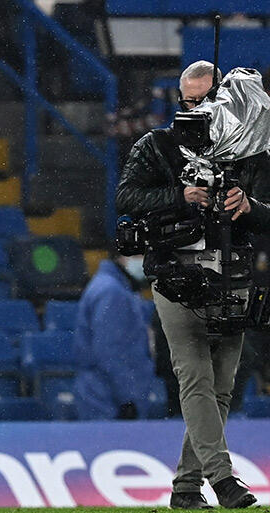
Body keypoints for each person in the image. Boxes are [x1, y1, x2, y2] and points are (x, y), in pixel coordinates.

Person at [116, 60, 270, 510]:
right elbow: (126, 197)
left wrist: (250, 206)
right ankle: (223, 480)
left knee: (220, 387)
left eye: (205, 99)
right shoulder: (157, 145)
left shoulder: (251, 150)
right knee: (195, 376)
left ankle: (185, 487)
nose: (196, 108)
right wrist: (178, 196)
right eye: (188, 101)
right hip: (175, 274)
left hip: (232, 275)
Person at [73, 252, 155, 420]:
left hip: (104, 392)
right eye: (141, 256)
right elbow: (109, 350)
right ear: (122, 256)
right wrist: (127, 398)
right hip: (108, 397)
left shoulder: (115, 287)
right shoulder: (112, 292)